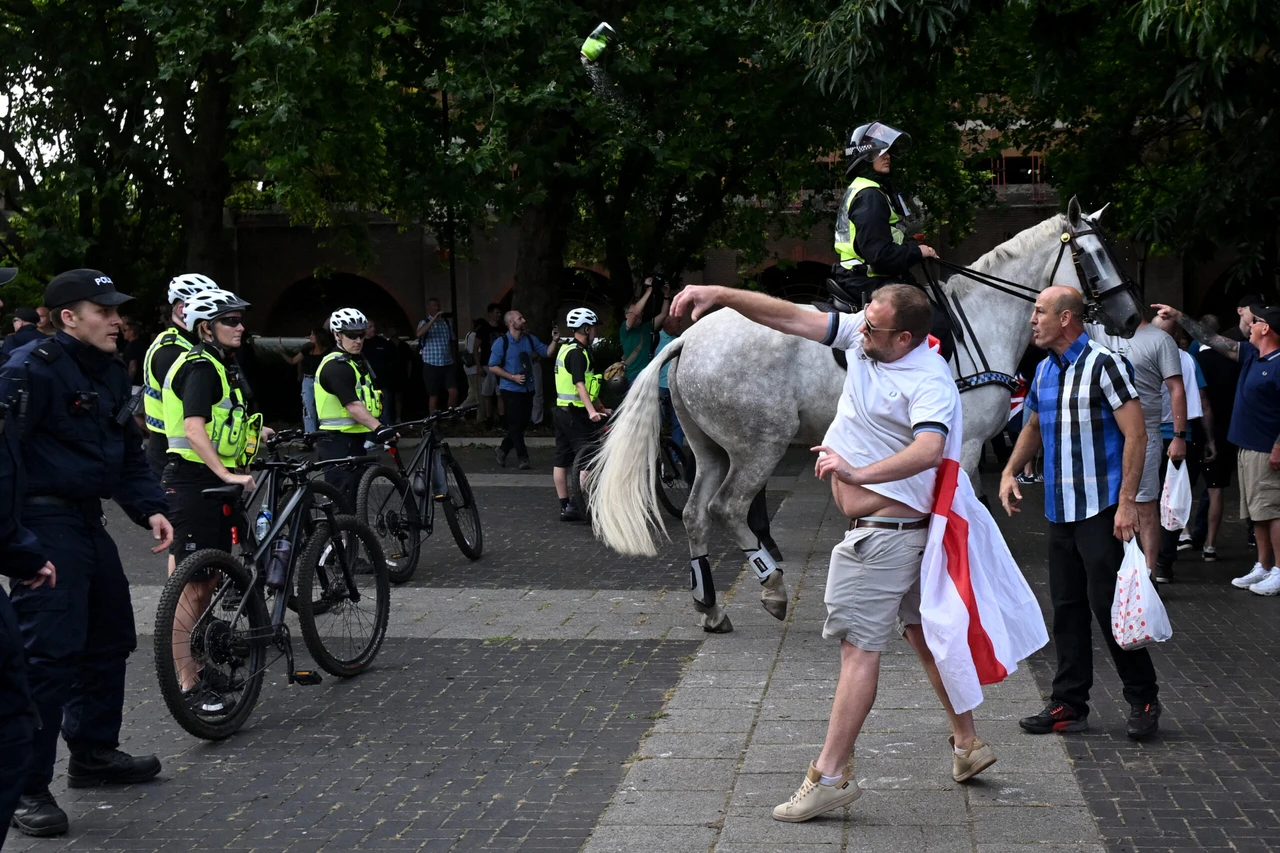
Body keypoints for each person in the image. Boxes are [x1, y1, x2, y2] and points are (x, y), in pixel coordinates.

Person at [673, 282, 998, 823]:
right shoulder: (867, 338)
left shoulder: (927, 379)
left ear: (908, 338)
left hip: (884, 538)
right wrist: (724, 295)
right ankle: (967, 743)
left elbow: (931, 448)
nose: (860, 331)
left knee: (857, 652)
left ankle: (829, 776)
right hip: (898, 533)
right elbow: (792, 317)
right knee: (921, 634)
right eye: (863, 321)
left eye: (874, 327)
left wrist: (856, 472)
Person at [0, 269, 174, 838]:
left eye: (118, 310)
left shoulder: (106, 374)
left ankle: (94, 754)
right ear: (68, 317)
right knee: (49, 656)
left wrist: (149, 505)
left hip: (84, 522)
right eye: (104, 311)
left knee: (110, 638)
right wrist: (17, 545)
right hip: (44, 524)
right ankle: (27, 787)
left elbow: (126, 451)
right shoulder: (28, 372)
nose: (117, 321)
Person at [1001, 286, 1160, 740]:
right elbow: (1032, 425)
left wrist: (1127, 502)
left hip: (1101, 507)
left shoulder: (1104, 363)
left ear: (1066, 318)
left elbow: (1137, 434)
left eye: (1039, 312)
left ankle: (1143, 696)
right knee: (1067, 608)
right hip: (1060, 510)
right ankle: (1068, 703)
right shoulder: (1045, 370)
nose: (1032, 320)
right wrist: (1010, 470)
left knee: (1109, 605)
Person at [158, 288, 266, 709]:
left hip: (211, 481)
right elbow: (194, 427)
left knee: (209, 582)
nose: (240, 328)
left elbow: (225, 421)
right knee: (191, 588)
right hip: (194, 482)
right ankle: (188, 683)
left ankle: (200, 667)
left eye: (241, 320)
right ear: (207, 327)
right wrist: (225, 472)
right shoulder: (202, 366)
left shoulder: (221, 364)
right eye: (230, 321)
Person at [1152, 302, 1280, 594]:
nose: (1249, 325)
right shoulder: (1251, 354)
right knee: (1256, 512)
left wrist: (1278, 446)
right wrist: (1180, 316)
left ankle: (1278, 569)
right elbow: (1211, 339)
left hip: (1266, 449)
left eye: (1255, 321)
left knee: (1272, 511)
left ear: (1266, 328)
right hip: (1247, 448)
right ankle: (1262, 566)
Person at [1088, 315, 1186, 575]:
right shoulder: (1100, 329)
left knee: (1144, 504)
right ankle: (1120, 571)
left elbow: (1176, 388)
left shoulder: (1160, 339)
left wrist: (1179, 435)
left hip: (1146, 432)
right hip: (1108, 433)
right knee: (1109, 503)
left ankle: (1150, 572)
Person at [828, 121, 939, 310]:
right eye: (879, 151)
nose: (887, 156)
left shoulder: (863, 189)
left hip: (861, 278)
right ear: (865, 157)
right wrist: (917, 252)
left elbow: (880, 240)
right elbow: (880, 257)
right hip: (868, 282)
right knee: (937, 321)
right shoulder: (870, 195)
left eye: (887, 151)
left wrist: (913, 245)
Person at [1149, 318, 1213, 583]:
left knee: (1148, 501)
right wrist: (1210, 439)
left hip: (1150, 436)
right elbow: (1203, 401)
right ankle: (1163, 562)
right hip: (1181, 438)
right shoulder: (1188, 360)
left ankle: (1150, 561)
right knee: (1172, 501)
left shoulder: (1142, 353)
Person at [141, 274, 221, 476]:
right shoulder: (173, 351)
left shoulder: (185, 343)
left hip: (180, 449)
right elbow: (196, 405)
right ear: (182, 309)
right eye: (207, 308)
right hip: (173, 454)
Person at [314, 308, 395, 499]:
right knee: (342, 500)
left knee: (355, 499)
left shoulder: (353, 362)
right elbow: (352, 405)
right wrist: (380, 428)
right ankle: (334, 529)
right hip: (336, 443)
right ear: (337, 335)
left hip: (354, 441)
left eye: (361, 335)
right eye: (351, 336)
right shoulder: (336, 366)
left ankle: (351, 529)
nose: (358, 341)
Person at [1191, 314, 1241, 561]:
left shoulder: (1192, 361)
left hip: (1194, 430)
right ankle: (1210, 544)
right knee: (1216, 489)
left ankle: (1182, 533)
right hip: (1225, 430)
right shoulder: (1233, 363)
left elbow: (1201, 401)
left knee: (1183, 487)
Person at [553, 309, 609, 521]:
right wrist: (592, 412)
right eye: (593, 327)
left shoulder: (565, 349)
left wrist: (601, 407)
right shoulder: (578, 353)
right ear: (586, 328)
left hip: (560, 410)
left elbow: (588, 386)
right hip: (575, 414)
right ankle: (575, 506)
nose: (595, 331)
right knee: (587, 460)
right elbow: (579, 385)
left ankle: (565, 506)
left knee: (561, 460)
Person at [488, 310, 558, 469]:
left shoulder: (529, 339)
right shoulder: (502, 342)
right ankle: (523, 457)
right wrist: (512, 377)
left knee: (522, 423)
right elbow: (493, 366)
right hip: (510, 389)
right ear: (511, 323)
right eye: (520, 318)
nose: (524, 319)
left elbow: (547, 352)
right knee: (514, 424)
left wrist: (555, 340)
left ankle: (503, 449)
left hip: (527, 388)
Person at [618, 278, 669, 385]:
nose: (640, 314)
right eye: (636, 312)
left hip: (647, 376)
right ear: (627, 315)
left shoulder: (646, 327)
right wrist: (649, 290)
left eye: (641, 313)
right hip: (632, 377)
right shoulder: (625, 329)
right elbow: (636, 313)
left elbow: (663, 314)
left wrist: (666, 295)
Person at [279, 327, 328, 433]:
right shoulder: (307, 349)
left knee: (322, 408)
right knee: (308, 408)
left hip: (320, 381)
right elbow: (293, 361)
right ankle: (309, 435)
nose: (310, 337)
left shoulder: (326, 351)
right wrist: (282, 352)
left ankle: (322, 434)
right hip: (308, 380)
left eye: (312, 335)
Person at [416, 297, 458, 413]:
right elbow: (419, 334)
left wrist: (454, 359)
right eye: (434, 306)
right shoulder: (424, 322)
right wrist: (433, 319)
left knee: (453, 392)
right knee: (434, 395)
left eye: (438, 306)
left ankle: (450, 416)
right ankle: (433, 422)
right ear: (429, 308)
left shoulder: (447, 323)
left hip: (447, 363)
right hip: (431, 364)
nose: (437, 308)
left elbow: (452, 342)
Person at [654, 310, 685, 447]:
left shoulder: (679, 340)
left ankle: (677, 457)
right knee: (656, 422)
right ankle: (654, 454)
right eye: (678, 321)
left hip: (674, 387)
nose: (680, 324)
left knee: (678, 422)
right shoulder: (655, 339)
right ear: (669, 323)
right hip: (660, 386)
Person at [478, 303, 506, 428]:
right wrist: (478, 366)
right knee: (487, 393)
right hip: (487, 365)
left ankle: (502, 418)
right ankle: (488, 418)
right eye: (496, 313)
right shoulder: (483, 329)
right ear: (490, 314)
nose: (499, 315)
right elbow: (475, 349)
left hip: (501, 366)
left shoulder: (502, 329)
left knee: (500, 393)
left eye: (500, 313)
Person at [462, 318, 485, 410]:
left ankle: (461, 410)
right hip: (474, 367)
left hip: (468, 368)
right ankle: (462, 409)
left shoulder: (469, 334)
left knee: (472, 392)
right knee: (478, 394)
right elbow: (476, 352)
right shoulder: (475, 336)